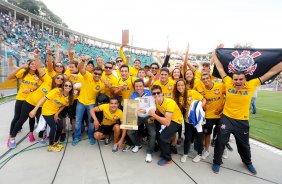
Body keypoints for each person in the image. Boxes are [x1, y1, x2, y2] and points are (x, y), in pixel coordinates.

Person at [212, 45, 282, 174]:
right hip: (226, 118)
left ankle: (247, 162)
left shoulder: (252, 84)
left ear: (245, 79)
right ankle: (217, 162)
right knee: (220, 141)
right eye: (236, 79)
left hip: (242, 121)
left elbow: (271, 72)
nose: (238, 82)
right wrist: (214, 52)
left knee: (244, 145)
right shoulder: (227, 81)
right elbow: (220, 67)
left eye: (240, 79)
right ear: (232, 78)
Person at [29, 80, 74, 152]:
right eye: (66, 85)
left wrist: (56, 114)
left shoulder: (69, 97)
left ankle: (55, 142)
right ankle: (50, 145)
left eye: (69, 86)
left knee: (60, 126)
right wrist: (34, 110)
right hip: (47, 111)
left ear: (71, 88)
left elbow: (63, 106)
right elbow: (43, 98)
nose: (67, 87)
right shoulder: (56, 91)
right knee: (53, 127)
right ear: (63, 86)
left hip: (55, 112)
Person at [7, 58, 42, 148]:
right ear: (28, 65)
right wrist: (20, 67)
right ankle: (11, 136)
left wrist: (31, 90)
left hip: (31, 100)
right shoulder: (23, 72)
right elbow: (10, 77)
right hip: (21, 98)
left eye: (35, 64)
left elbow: (38, 87)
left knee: (31, 117)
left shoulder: (39, 75)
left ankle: (31, 133)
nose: (34, 65)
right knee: (18, 117)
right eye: (32, 64)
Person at [72, 57, 105, 146]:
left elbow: (101, 96)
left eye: (99, 74)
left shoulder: (101, 84)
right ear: (93, 72)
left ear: (101, 75)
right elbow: (80, 68)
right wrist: (83, 60)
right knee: (78, 120)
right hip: (81, 102)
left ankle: (91, 136)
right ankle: (77, 137)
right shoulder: (88, 75)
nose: (97, 75)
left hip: (91, 104)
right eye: (95, 73)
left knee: (91, 122)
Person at [148, 85, 183, 166]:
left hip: (176, 121)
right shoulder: (156, 101)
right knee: (158, 133)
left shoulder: (169, 102)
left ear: (162, 93)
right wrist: (152, 118)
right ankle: (169, 150)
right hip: (167, 118)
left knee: (163, 137)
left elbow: (167, 122)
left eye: (158, 93)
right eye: (154, 93)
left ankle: (168, 159)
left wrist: (153, 115)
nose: (156, 95)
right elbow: (159, 113)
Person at [173, 79, 206, 163]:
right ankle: (185, 154)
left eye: (182, 85)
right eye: (178, 85)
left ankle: (199, 154)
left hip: (198, 120)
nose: (180, 87)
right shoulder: (178, 97)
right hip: (188, 120)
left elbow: (204, 100)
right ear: (176, 87)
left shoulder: (193, 92)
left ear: (185, 86)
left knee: (199, 137)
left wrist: (198, 109)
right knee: (187, 137)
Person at [127, 79, 156, 162]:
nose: (138, 88)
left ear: (143, 86)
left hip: (148, 116)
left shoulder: (149, 92)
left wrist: (145, 110)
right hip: (138, 117)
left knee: (152, 133)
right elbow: (131, 109)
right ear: (134, 87)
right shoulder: (132, 95)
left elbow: (153, 106)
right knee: (130, 131)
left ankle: (149, 152)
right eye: (136, 86)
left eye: (140, 86)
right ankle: (137, 144)